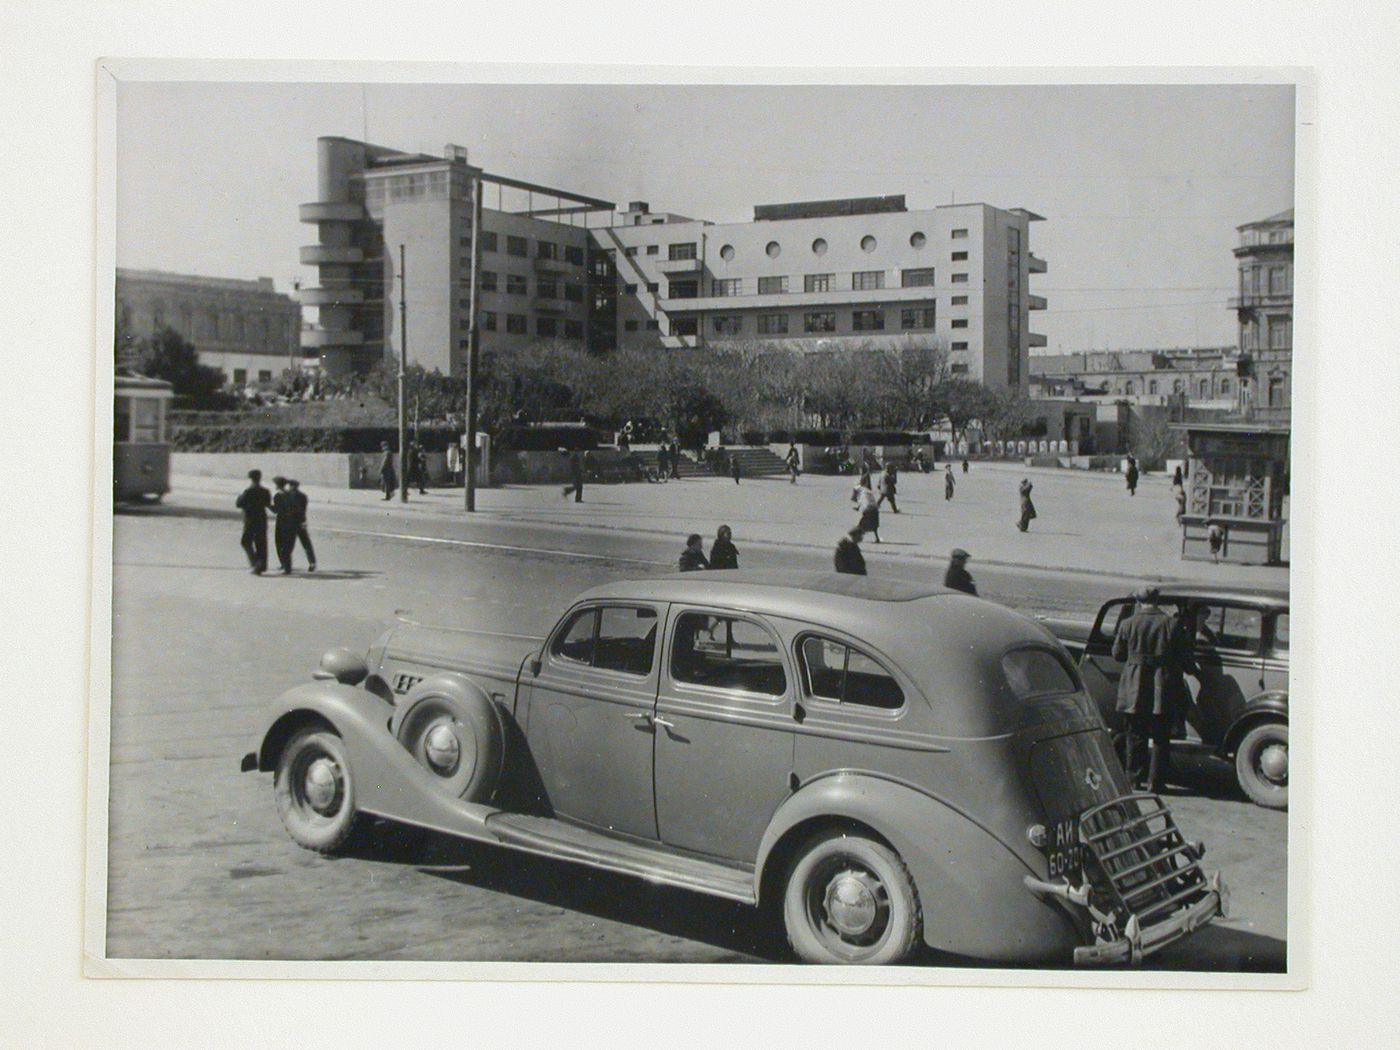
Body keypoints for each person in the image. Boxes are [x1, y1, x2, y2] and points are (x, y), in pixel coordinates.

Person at [1112, 587, 1191, 792]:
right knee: (1161, 737)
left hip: (1134, 686)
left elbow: (1118, 654)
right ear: (1157, 600)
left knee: (1135, 734)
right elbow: (1183, 656)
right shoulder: (1171, 624)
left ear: (1138, 601)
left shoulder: (1127, 624)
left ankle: (1134, 780)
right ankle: (1156, 783)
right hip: (1162, 686)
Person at [235, 469, 271, 574]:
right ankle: (262, 564)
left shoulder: (248, 491)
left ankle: (255, 563)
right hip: (261, 519)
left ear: (251, 479)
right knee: (261, 543)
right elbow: (267, 503)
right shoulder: (266, 491)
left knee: (246, 541)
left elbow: (238, 504)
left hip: (250, 519)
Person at [286, 479, 316, 572]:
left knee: (289, 544)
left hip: (292, 523)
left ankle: (286, 564)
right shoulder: (303, 496)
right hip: (301, 522)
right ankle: (312, 562)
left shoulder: (289, 496)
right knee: (306, 544)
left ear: (292, 486)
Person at [270, 476, 298, 574]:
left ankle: (285, 565)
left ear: (278, 485)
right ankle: (286, 565)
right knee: (287, 544)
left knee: (279, 543)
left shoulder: (278, 496)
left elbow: (276, 510)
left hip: (282, 521)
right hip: (291, 521)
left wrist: (268, 505)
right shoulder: (290, 494)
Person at [854, 477, 881, 543]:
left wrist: (861, 508)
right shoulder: (867, 491)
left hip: (868, 509)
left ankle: (856, 537)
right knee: (874, 525)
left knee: (862, 524)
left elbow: (864, 501)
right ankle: (877, 538)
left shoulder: (862, 492)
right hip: (874, 509)